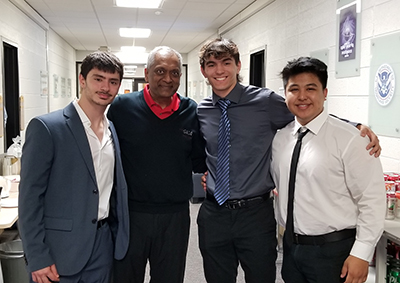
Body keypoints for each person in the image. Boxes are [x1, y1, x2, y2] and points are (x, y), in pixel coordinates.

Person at [196, 38, 381, 283]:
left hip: (255, 214)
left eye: (226, 63)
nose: (219, 70)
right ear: (203, 71)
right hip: (214, 213)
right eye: (211, 64)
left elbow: (306, 110)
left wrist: (352, 125)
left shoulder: (265, 101)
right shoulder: (201, 109)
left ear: (239, 66)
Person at [270, 57, 385, 283]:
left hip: (335, 251)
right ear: (285, 94)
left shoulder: (351, 139)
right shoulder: (280, 139)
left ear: (325, 92)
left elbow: (372, 199)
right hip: (291, 250)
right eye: (294, 89)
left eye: (310, 89)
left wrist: (361, 253)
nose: (302, 96)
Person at [18, 51, 129, 283]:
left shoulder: (112, 130)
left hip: (102, 246)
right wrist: (37, 256)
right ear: (82, 80)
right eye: (98, 79)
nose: (105, 87)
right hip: (59, 251)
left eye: (113, 81)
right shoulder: (47, 128)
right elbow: (29, 199)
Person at [107, 46, 207, 283]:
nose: (168, 78)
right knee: (125, 278)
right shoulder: (122, 107)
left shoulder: (190, 110)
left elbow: (199, 159)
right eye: (160, 71)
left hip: (174, 217)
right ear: (147, 73)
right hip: (131, 215)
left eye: (174, 73)